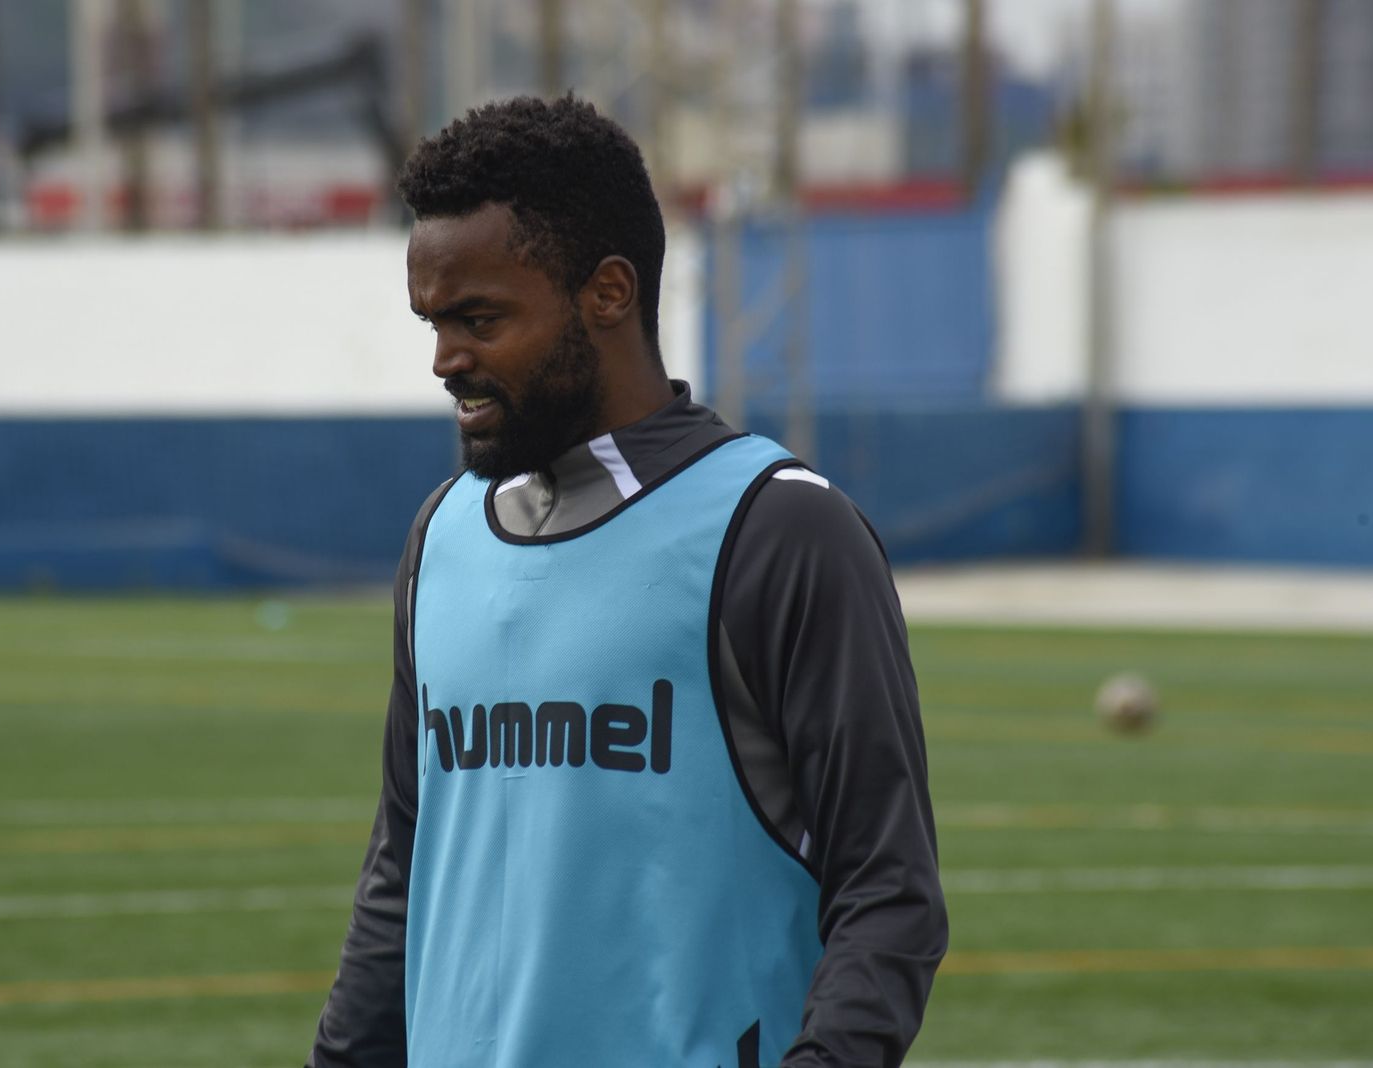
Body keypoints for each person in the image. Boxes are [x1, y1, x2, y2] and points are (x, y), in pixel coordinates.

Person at [306, 95, 947, 1068]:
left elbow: (887, 893)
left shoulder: (778, 530)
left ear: (607, 294)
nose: (445, 360)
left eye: (478, 318)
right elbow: (401, 870)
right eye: (432, 322)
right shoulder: (439, 539)